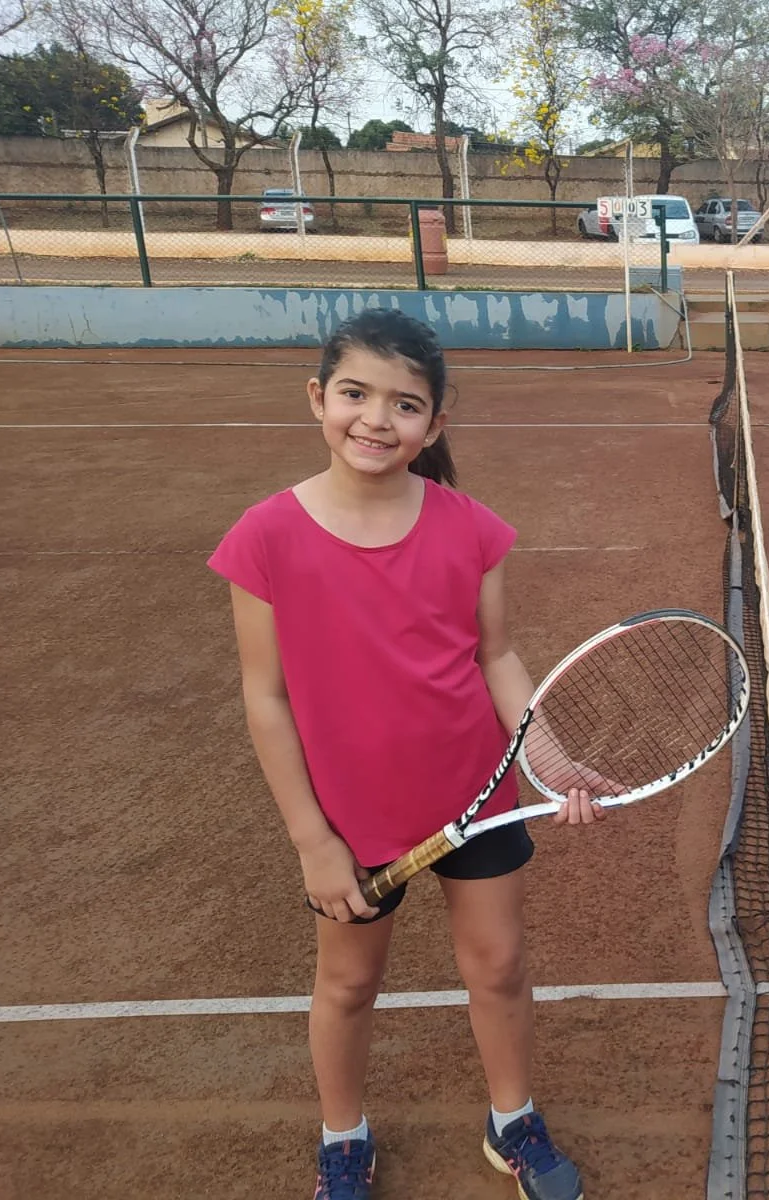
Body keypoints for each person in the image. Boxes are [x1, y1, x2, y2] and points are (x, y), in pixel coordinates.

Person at [209, 308, 599, 1200]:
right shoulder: (266, 536)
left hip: (477, 793)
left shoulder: (473, 529)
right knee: (347, 986)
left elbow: (495, 657)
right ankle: (342, 1136)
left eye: (405, 404)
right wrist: (313, 838)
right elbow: (265, 697)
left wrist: (552, 759)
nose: (376, 420)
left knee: (498, 966)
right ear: (318, 399)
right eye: (355, 394)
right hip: (352, 818)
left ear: (437, 423)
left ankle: (513, 1121)